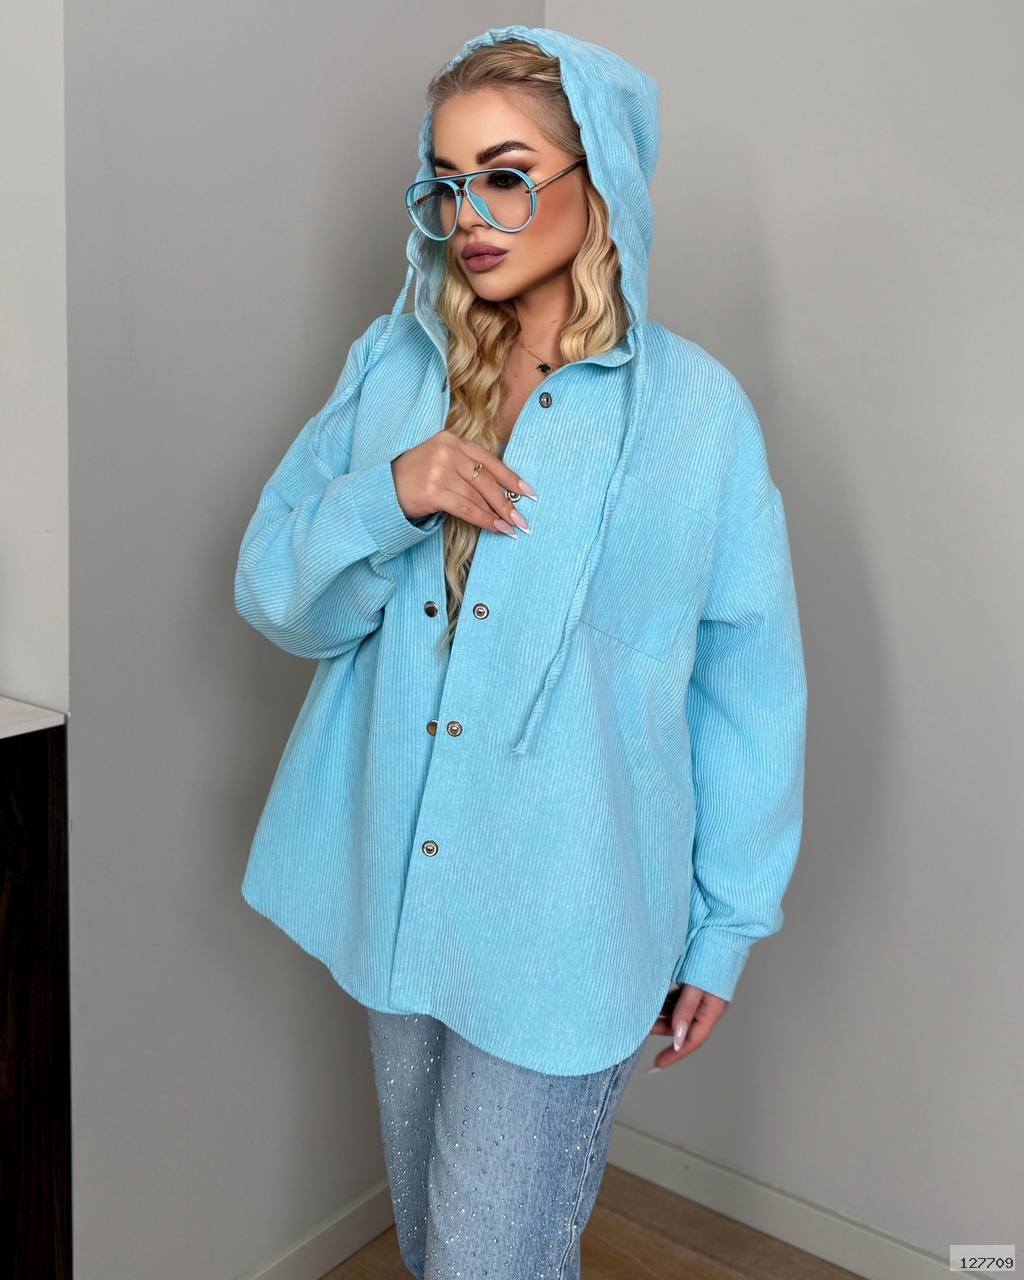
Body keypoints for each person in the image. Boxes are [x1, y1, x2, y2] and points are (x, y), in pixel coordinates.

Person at [234, 24, 808, 1280]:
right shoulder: (395, 365)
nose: (469, 217)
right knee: (435, 1244)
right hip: (398, 884)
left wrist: (724, 926)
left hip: (567, 919)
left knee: (489, 1261)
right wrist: (393, 491)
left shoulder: (698, 418)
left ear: (601, 178)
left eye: (505, 174)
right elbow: (277, 595)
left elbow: (748, 686)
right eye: (447, 182)